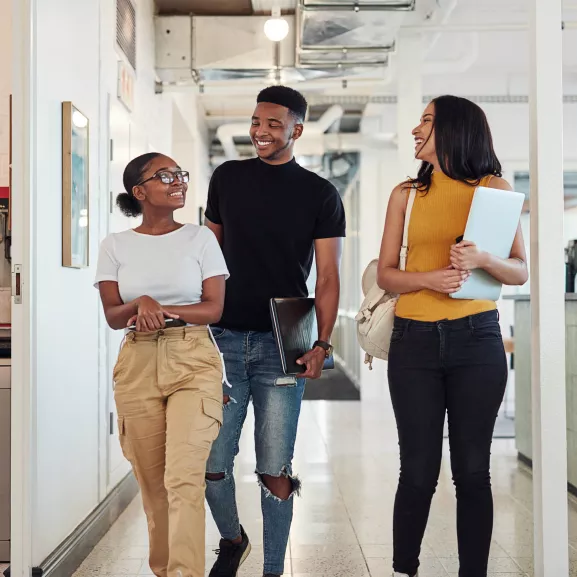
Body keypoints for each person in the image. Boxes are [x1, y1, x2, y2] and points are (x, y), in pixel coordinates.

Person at [377, 95, 528, 577]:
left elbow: (520, 271)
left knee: (472, 472)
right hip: (414, 344)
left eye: (426, 121)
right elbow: (385, 275)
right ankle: (405, 569)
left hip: (476, 341)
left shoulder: (494, 188)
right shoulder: (405, 193)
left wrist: (483, 259)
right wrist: (427, 279)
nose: (415, 129)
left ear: (455, 129)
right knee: (417, 472)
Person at [203, 86, 346, 577]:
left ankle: (271, 569)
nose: (260, 132)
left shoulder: (321, 194)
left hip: (286, 338)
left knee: (274, 467)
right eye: (256, 122)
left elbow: (327, 277)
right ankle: (232, 538)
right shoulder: (226, 178)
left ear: (297, 130)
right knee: (213, 463)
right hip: (221, 337)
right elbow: (206, 256)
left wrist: (322, 343)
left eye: (273, 125)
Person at [95, 153, 230, 577]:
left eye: (181, 175)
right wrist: (140, 303)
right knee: (153, 488)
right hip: (137, 361)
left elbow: (213, 310)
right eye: (166, 176)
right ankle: (164, 569)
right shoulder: (115, 245)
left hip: (193, 359)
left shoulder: (201, 239)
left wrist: (162, 307)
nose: (179, 182)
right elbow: (115, 315)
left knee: (184, 478)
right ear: (140, 192)